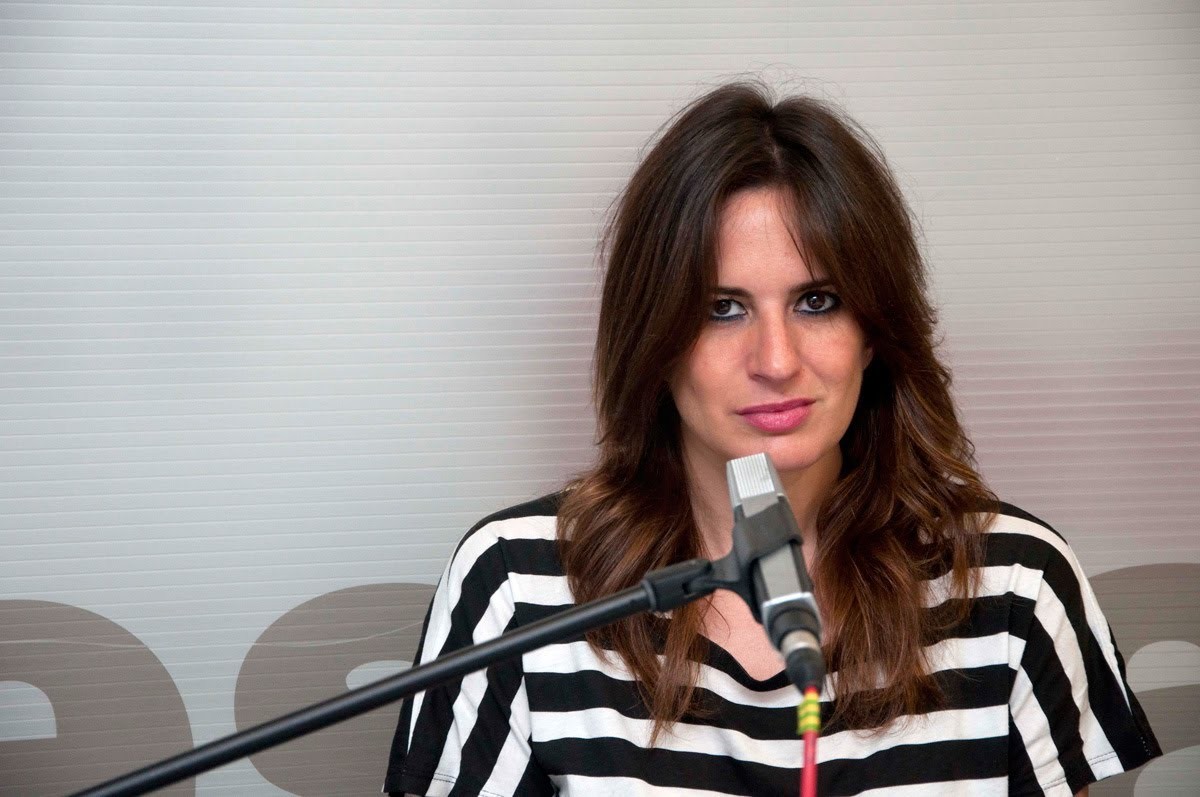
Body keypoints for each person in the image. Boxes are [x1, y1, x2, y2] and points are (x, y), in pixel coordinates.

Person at [383, 82, 1160, 796]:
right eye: (722, 308)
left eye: (817, 301)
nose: (777, 360)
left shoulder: (1015, 584)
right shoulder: (518, 589)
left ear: (874, 332)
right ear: (654, 337)